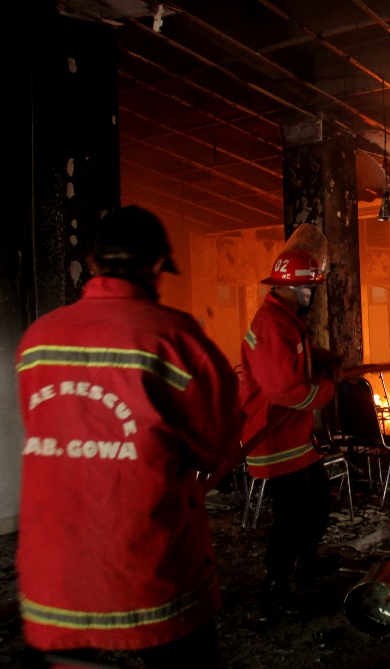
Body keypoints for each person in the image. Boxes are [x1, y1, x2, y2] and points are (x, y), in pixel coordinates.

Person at [15, 206, 242, 668]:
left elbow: (46, 429)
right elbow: (217, 444)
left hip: (52, 575)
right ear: (158, 266)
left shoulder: (37, 340)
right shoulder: (175, 339)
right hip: (148, 573)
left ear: (94, 262)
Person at [238, 224, 339, 616]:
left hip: (295, 441)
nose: (312, 294)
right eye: (311, 288)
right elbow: (287, 390)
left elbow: (291, 356)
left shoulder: (283, 320)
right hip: (275, 441)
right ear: (298, 288)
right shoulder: (272, 324)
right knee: (293, 519)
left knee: (318, 508)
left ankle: (308, 566)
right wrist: (329, 388)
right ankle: (274, 591)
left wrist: (321, 355)